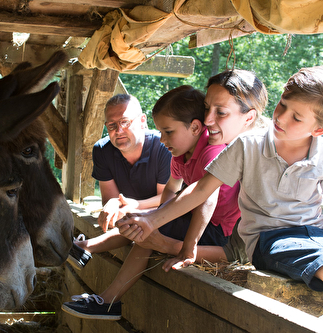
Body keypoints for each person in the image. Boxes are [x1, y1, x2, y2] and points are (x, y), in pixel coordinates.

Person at [62, 70, 268, 320]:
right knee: (142, 224)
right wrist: (156, 215)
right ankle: (86, 250)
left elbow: (205, 195)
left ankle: (108, 300)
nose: (209, 120)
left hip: (221, 232)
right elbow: (172, 188)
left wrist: (179, 241)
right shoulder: (183, 153)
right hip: (205, 221)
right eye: (206, 109)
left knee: (147, 234)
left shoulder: (215, 150)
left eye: (168, 132)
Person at [118, 66, 323, 292]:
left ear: (318, 130)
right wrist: (151, 220)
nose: (281, 116)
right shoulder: (248, 145)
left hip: (315, 235)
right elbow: (201, 190)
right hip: (271, 240)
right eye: (282, 104)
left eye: (296, 117)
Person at [67, 93, 172, 269]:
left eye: (125, 122)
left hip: (166, 214)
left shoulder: (163, 147)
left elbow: (167, 199)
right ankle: (81, 249)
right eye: (112, 125)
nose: (119, 130)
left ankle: (83, 247)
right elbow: (109, 201)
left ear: (142, 120)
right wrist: (115, 204)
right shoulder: (102, 149)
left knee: (146, 220)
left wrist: (134, 206)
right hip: (129, 216)